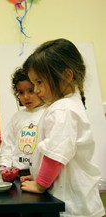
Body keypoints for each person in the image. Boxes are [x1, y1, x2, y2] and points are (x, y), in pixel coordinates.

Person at [20, 38, 105, 217]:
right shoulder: (67, 106)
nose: (35, 90)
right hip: (74, 202)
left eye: (40, 82)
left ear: (67, 75)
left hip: (71, 207)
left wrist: (40, 184)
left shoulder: (63, 109)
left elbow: (55, 155)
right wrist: (37, 176)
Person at [0, 67, 45, 177]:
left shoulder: (48, 113)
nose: (26, 97)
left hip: (40, 175)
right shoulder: (17, 117)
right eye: (21, 92)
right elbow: (8, 144)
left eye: (31, 91)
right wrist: (4, 166)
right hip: (17, 174)